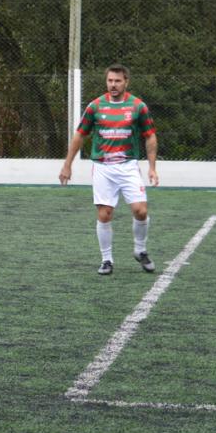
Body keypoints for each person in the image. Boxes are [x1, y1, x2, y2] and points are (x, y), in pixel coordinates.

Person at [59, 64, 158, 276]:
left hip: (128, 166)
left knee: (141, 210)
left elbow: (150, 136)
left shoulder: (138, 107)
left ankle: (140, 250)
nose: (113, 85)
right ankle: (106, 259)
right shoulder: (95, 107)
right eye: (110, 81)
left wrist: (152, 167)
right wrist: (67, 164)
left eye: (118, 81)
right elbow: (79, 136)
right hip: (103, 168)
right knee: (105, 214)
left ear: (126, 82)